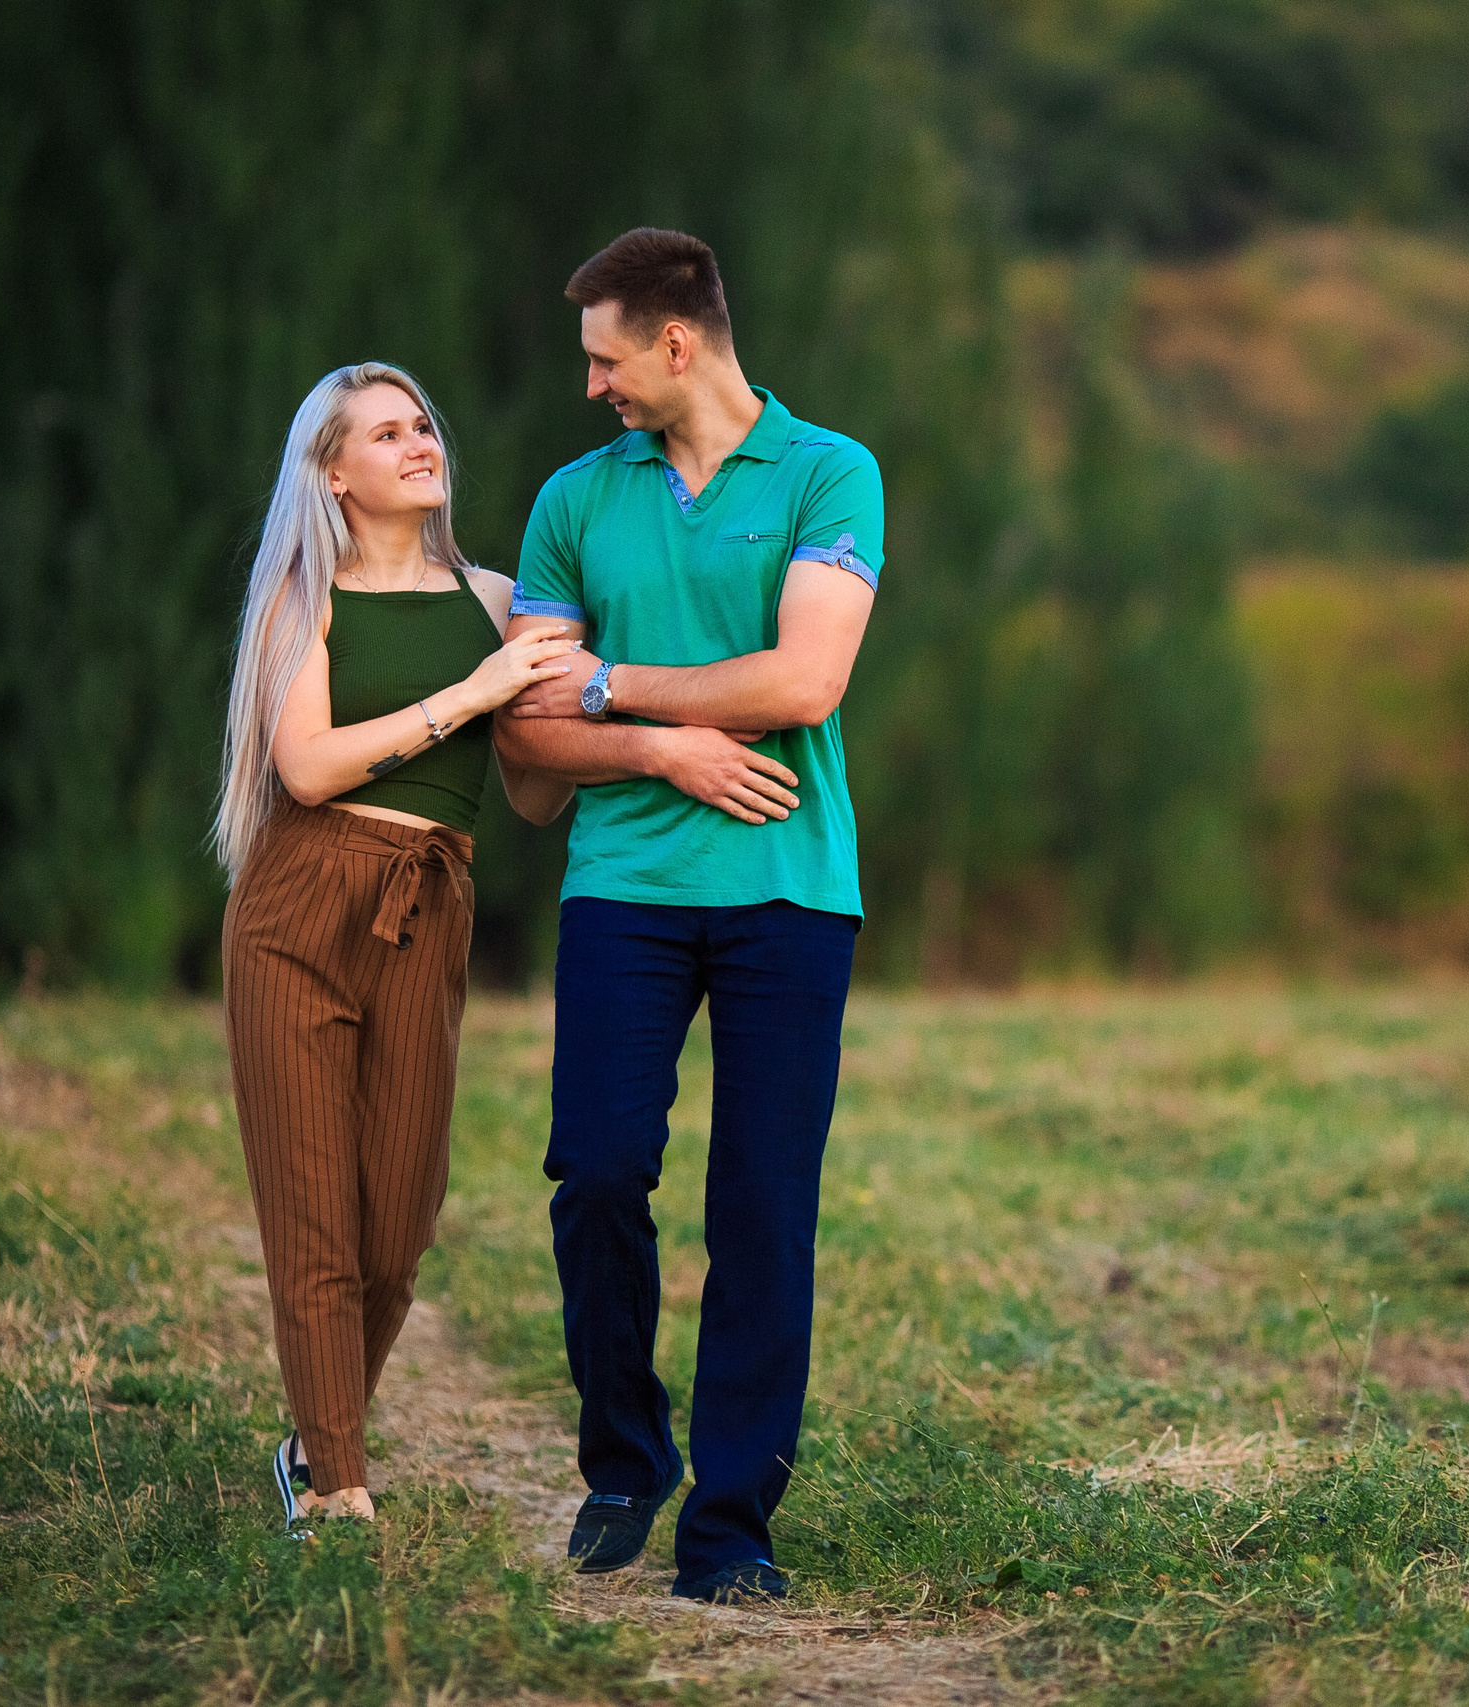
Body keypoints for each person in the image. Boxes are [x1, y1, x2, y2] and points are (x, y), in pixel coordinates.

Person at [493, 228, 883, 1604]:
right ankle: (623, 1457)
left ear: (675, 340)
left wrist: (613, 689)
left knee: (763, 1209)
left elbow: (804, 682)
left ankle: (730, 1530)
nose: (591, 387)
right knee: (596, 1168)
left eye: (604, 358)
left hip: (789, 887)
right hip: (625, 888)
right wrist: (658, 747)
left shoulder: (833, 473)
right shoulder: (570, 502)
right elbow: (528, 740)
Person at [214, 362, 578, 1527]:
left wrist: (576, 721)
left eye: (424, 422)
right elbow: (308, 767)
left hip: (430, 906)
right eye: (385, 432)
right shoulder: (300, 599)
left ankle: (314, 1444)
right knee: (313, 1212)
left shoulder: (497, 598)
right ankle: (337, 1488)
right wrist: (472, 695)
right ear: (333, 473)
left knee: (398, 1228)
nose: (420, 442)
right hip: (299, 907)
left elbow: (531, 794)